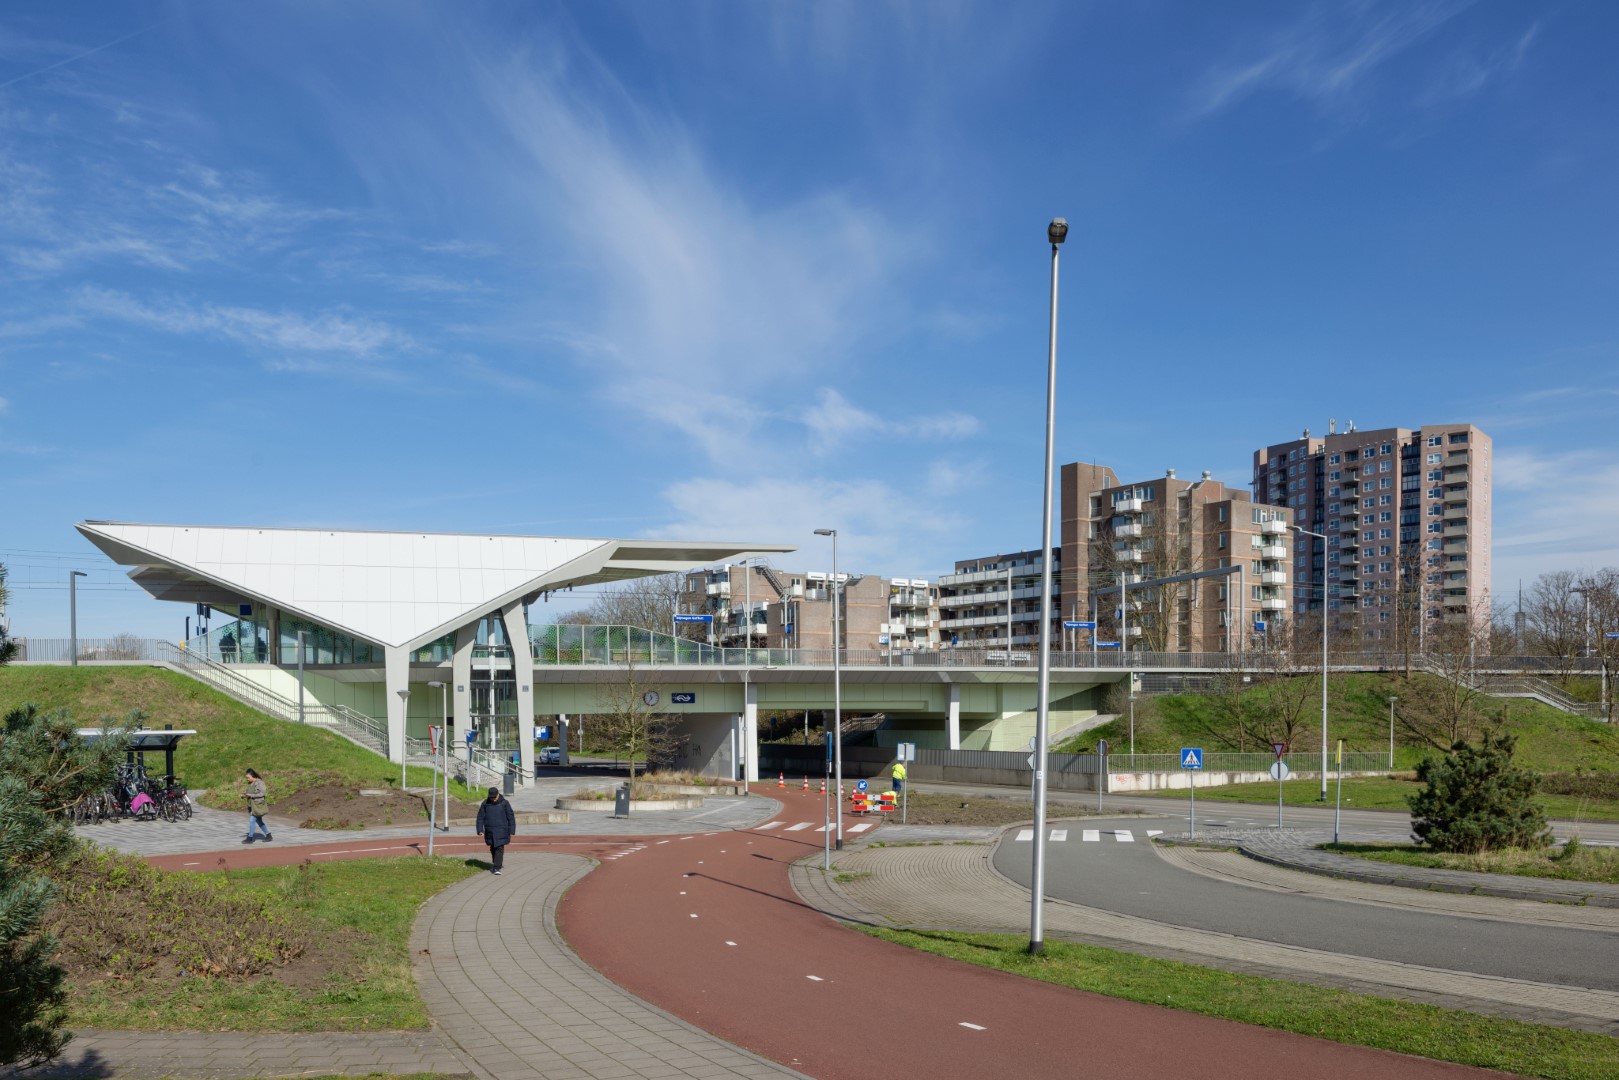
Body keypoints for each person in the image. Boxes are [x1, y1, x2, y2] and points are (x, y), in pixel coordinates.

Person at [475, 786, 516, 875]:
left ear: (498, 795)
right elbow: (480, 817)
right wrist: (479, 830)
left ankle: (497, 867)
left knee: (499, 848)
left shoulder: (505, 803)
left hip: (502, 830)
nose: (493, 799)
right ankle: (496, 862)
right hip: (490, 830)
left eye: (494, 797)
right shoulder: (485, 804)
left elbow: (511, 817)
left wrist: (512, 829)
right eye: (491, 797)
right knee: (493, 847)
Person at [242, 768, 272, 843]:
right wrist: (244, 795)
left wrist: (251, 795)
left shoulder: (260, 783)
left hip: (257, 806)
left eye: (248, 777)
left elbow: (262, 793)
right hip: (251, 806)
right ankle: (268, 835)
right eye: (246, 778)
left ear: (253, 776)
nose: (247, 779)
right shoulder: (250, 784)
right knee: (259, 821)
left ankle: (250, 838)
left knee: (252, 820)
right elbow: (247, 792)